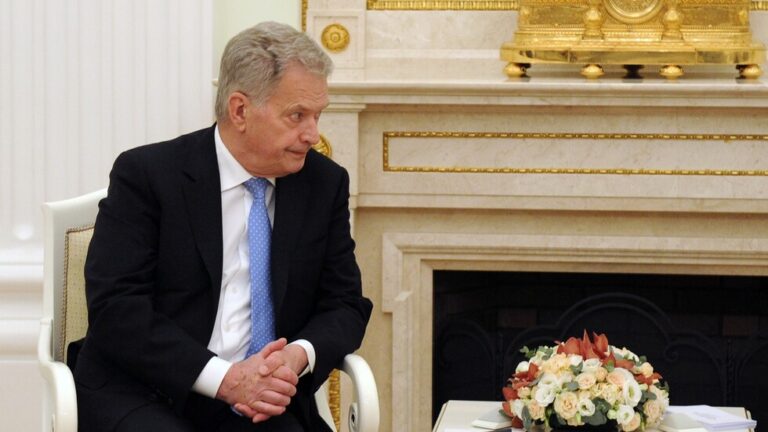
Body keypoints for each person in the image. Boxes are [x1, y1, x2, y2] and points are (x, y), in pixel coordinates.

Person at [72, 21, 373, 431]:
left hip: (263, 403)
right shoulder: (148, 175)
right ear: (240, 110)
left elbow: (345, 304)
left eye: (318, 116)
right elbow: (117, 309)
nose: (313, 135)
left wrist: (296, 356)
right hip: (149, 390)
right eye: (297, 116)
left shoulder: (322, 184)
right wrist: (227, 380)